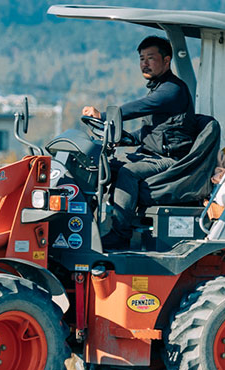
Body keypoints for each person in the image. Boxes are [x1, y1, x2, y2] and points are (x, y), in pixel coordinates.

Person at [82, 35, 195, 249]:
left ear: (167, 60)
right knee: (102, 165)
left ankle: (119, 235)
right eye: (142, 58)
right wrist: (125, 138)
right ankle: (86, 224)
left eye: (150, 58)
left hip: (170, 160)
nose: (144, 63)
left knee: (128, 172)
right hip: (152, 154)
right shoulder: (160, 88)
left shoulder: (172, 89)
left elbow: (140, 107)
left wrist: (104, 115)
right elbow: (149, 132)